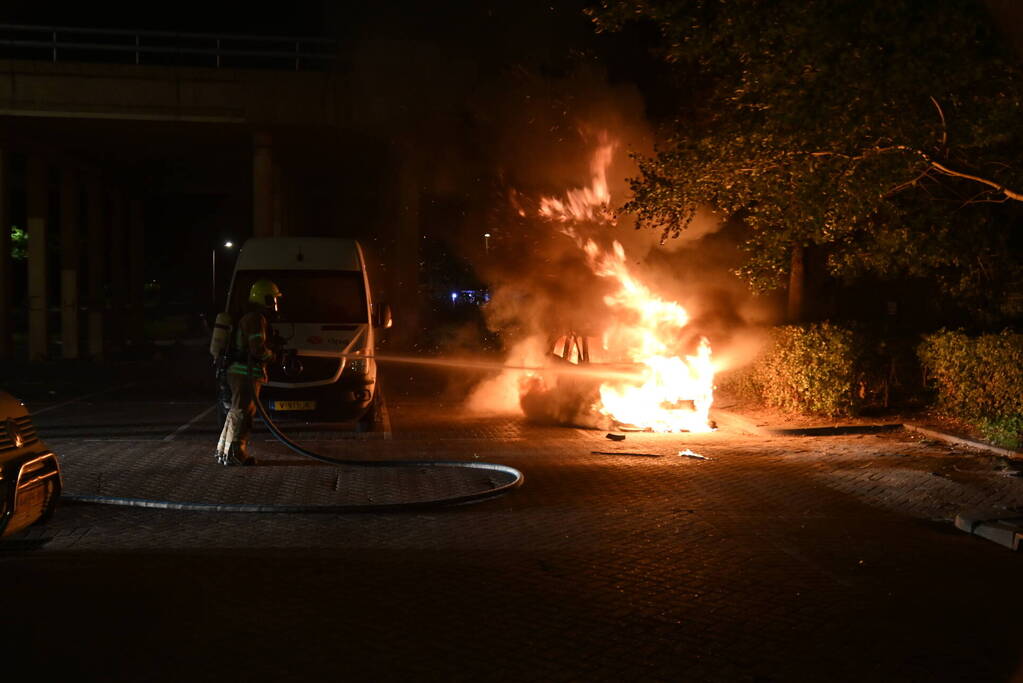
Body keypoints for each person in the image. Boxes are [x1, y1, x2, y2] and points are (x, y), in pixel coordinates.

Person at [214, 279, 282, 466]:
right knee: (243, 414)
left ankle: (224, 451)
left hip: (239, 372)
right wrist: (273, 356)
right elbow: (257, 349)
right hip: (246, 374)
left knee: (236, 412)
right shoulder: (255, 319)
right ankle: (236, 454)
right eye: (272, 299)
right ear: (264, 298)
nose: (274, 304)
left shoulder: (248, 316)